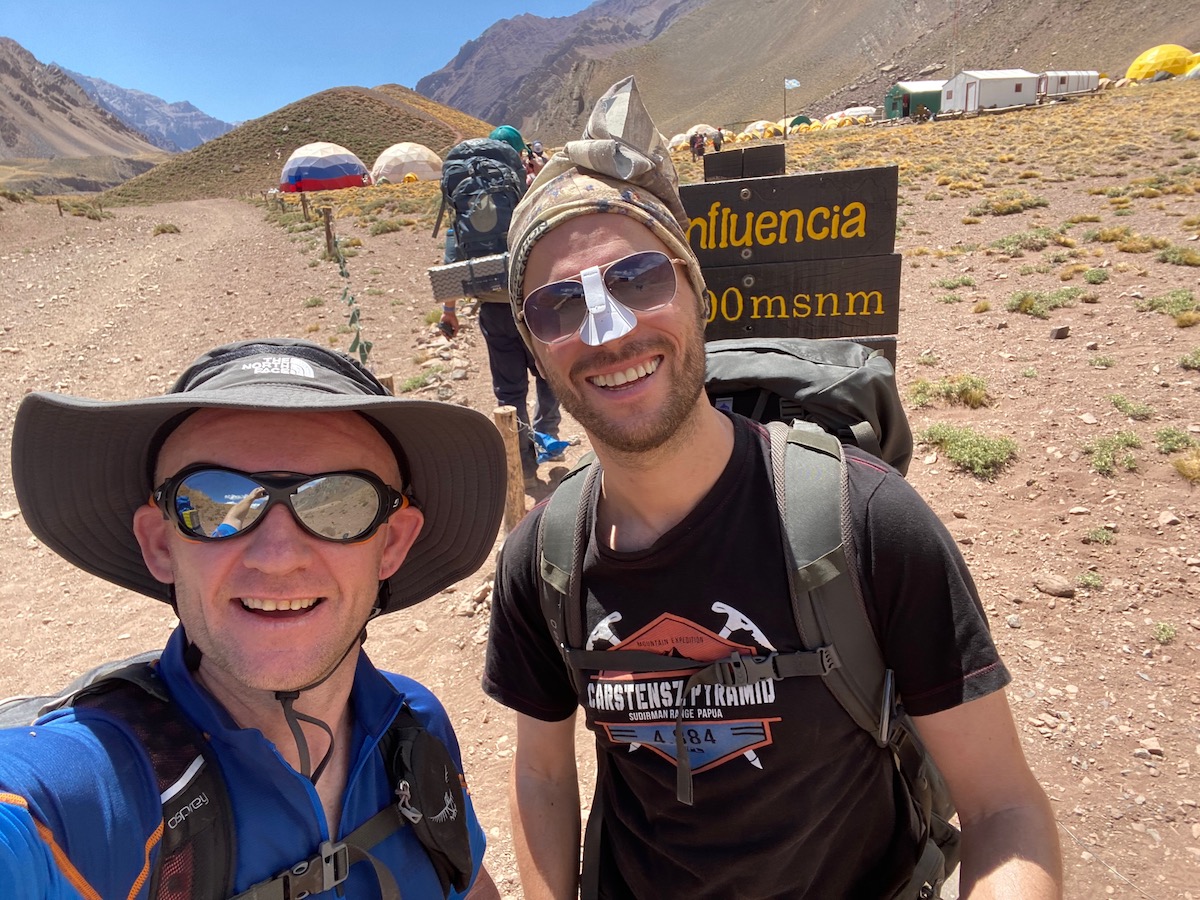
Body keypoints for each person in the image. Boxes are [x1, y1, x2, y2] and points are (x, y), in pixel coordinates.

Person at [482, 77, 1064, 898]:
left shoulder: (865, 523)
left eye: (639, 277)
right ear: (534, 347)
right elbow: (542, 777)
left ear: (697, 291)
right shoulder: (541, 561)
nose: (606, 331)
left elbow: (1003, 807)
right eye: (557, 304)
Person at [1, 338, 507, 899]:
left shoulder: (412, 726)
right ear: (160, 544)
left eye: (338, 501)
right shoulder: (83, 792)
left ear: (392, 544)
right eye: (216, 503)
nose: (277, 556)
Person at [441, 125, 564, 486]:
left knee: (509, 390)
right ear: (518, 154)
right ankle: (550, 437)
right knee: (548, 373)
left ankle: (522, 461)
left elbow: (452, 258)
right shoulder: (529, 191)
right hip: (538, 301)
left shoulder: (469, 197)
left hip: (494, 309)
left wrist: (449, 311)